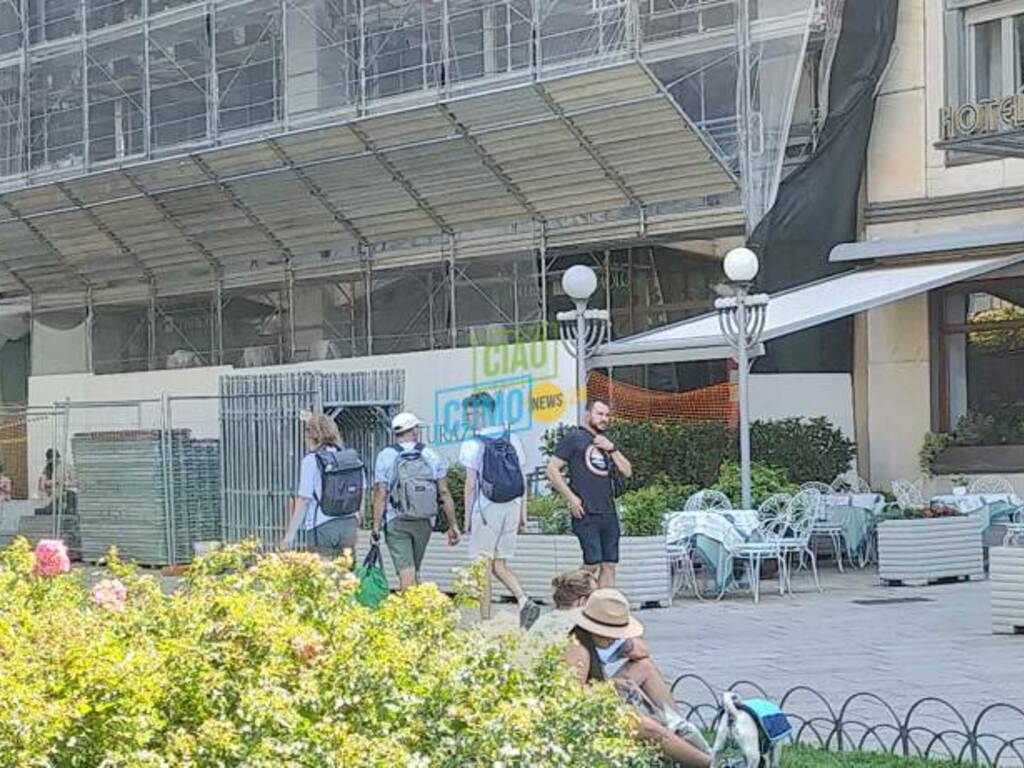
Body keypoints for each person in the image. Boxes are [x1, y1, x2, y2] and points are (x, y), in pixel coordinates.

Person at [565, 589, 713, 768]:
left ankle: (679, 729)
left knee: (645, 666)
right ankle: (710, 764)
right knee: (649, 727)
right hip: (586, 716)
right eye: (614, 634)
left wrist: (614, 684)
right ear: (599, 631)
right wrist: (609, 689)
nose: (617, 639)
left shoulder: (592, 641)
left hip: (598, 699)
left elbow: (642, 651)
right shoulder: (578, 650)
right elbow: (572, 700)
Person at [459, 391, 540, 627]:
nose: (470, 418)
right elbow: (522, 478)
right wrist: (523, 512)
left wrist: (467, 519)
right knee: (499, 563)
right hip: (512, 506)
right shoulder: (511, 437)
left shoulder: (472, 443)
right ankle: (524, 600)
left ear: (484, 413)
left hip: (486, 509)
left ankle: (485, 621)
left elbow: (470, 485)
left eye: (472, 413)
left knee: (482, 566)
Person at [545, 399, 633, 587]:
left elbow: (627, 471)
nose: (604, 419)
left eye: (607, 415)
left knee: (609, 564)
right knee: (592, 563)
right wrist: (571, 498)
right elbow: (552, 469)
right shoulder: (574, 438)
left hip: (608, 510)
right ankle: (565, 589)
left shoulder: (607, 443)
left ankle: (604, 610)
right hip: (585, 510)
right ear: (588, 415)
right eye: (599, 414)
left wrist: (612, 449)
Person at [372, 412, 460, 590]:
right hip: (424, 520)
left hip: (396, 520)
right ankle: (417, 608)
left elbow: (381, 494)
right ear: (413, 431)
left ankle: (409, 612)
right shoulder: (431, 455)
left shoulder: (385, 456)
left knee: (406, 571)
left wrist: (375, 527)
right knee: (414, 569)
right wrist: (453, 524)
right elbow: (443, 492)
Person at [282, 414, 365, 557]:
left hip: (321, 525)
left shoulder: (312, 460)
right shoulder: (351, 459)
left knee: (323, 576)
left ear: (311, 434)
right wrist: (357, 520)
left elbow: (303, 500)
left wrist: (289, 536)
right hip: (349, 524)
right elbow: (361, 493)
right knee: (345, 575)